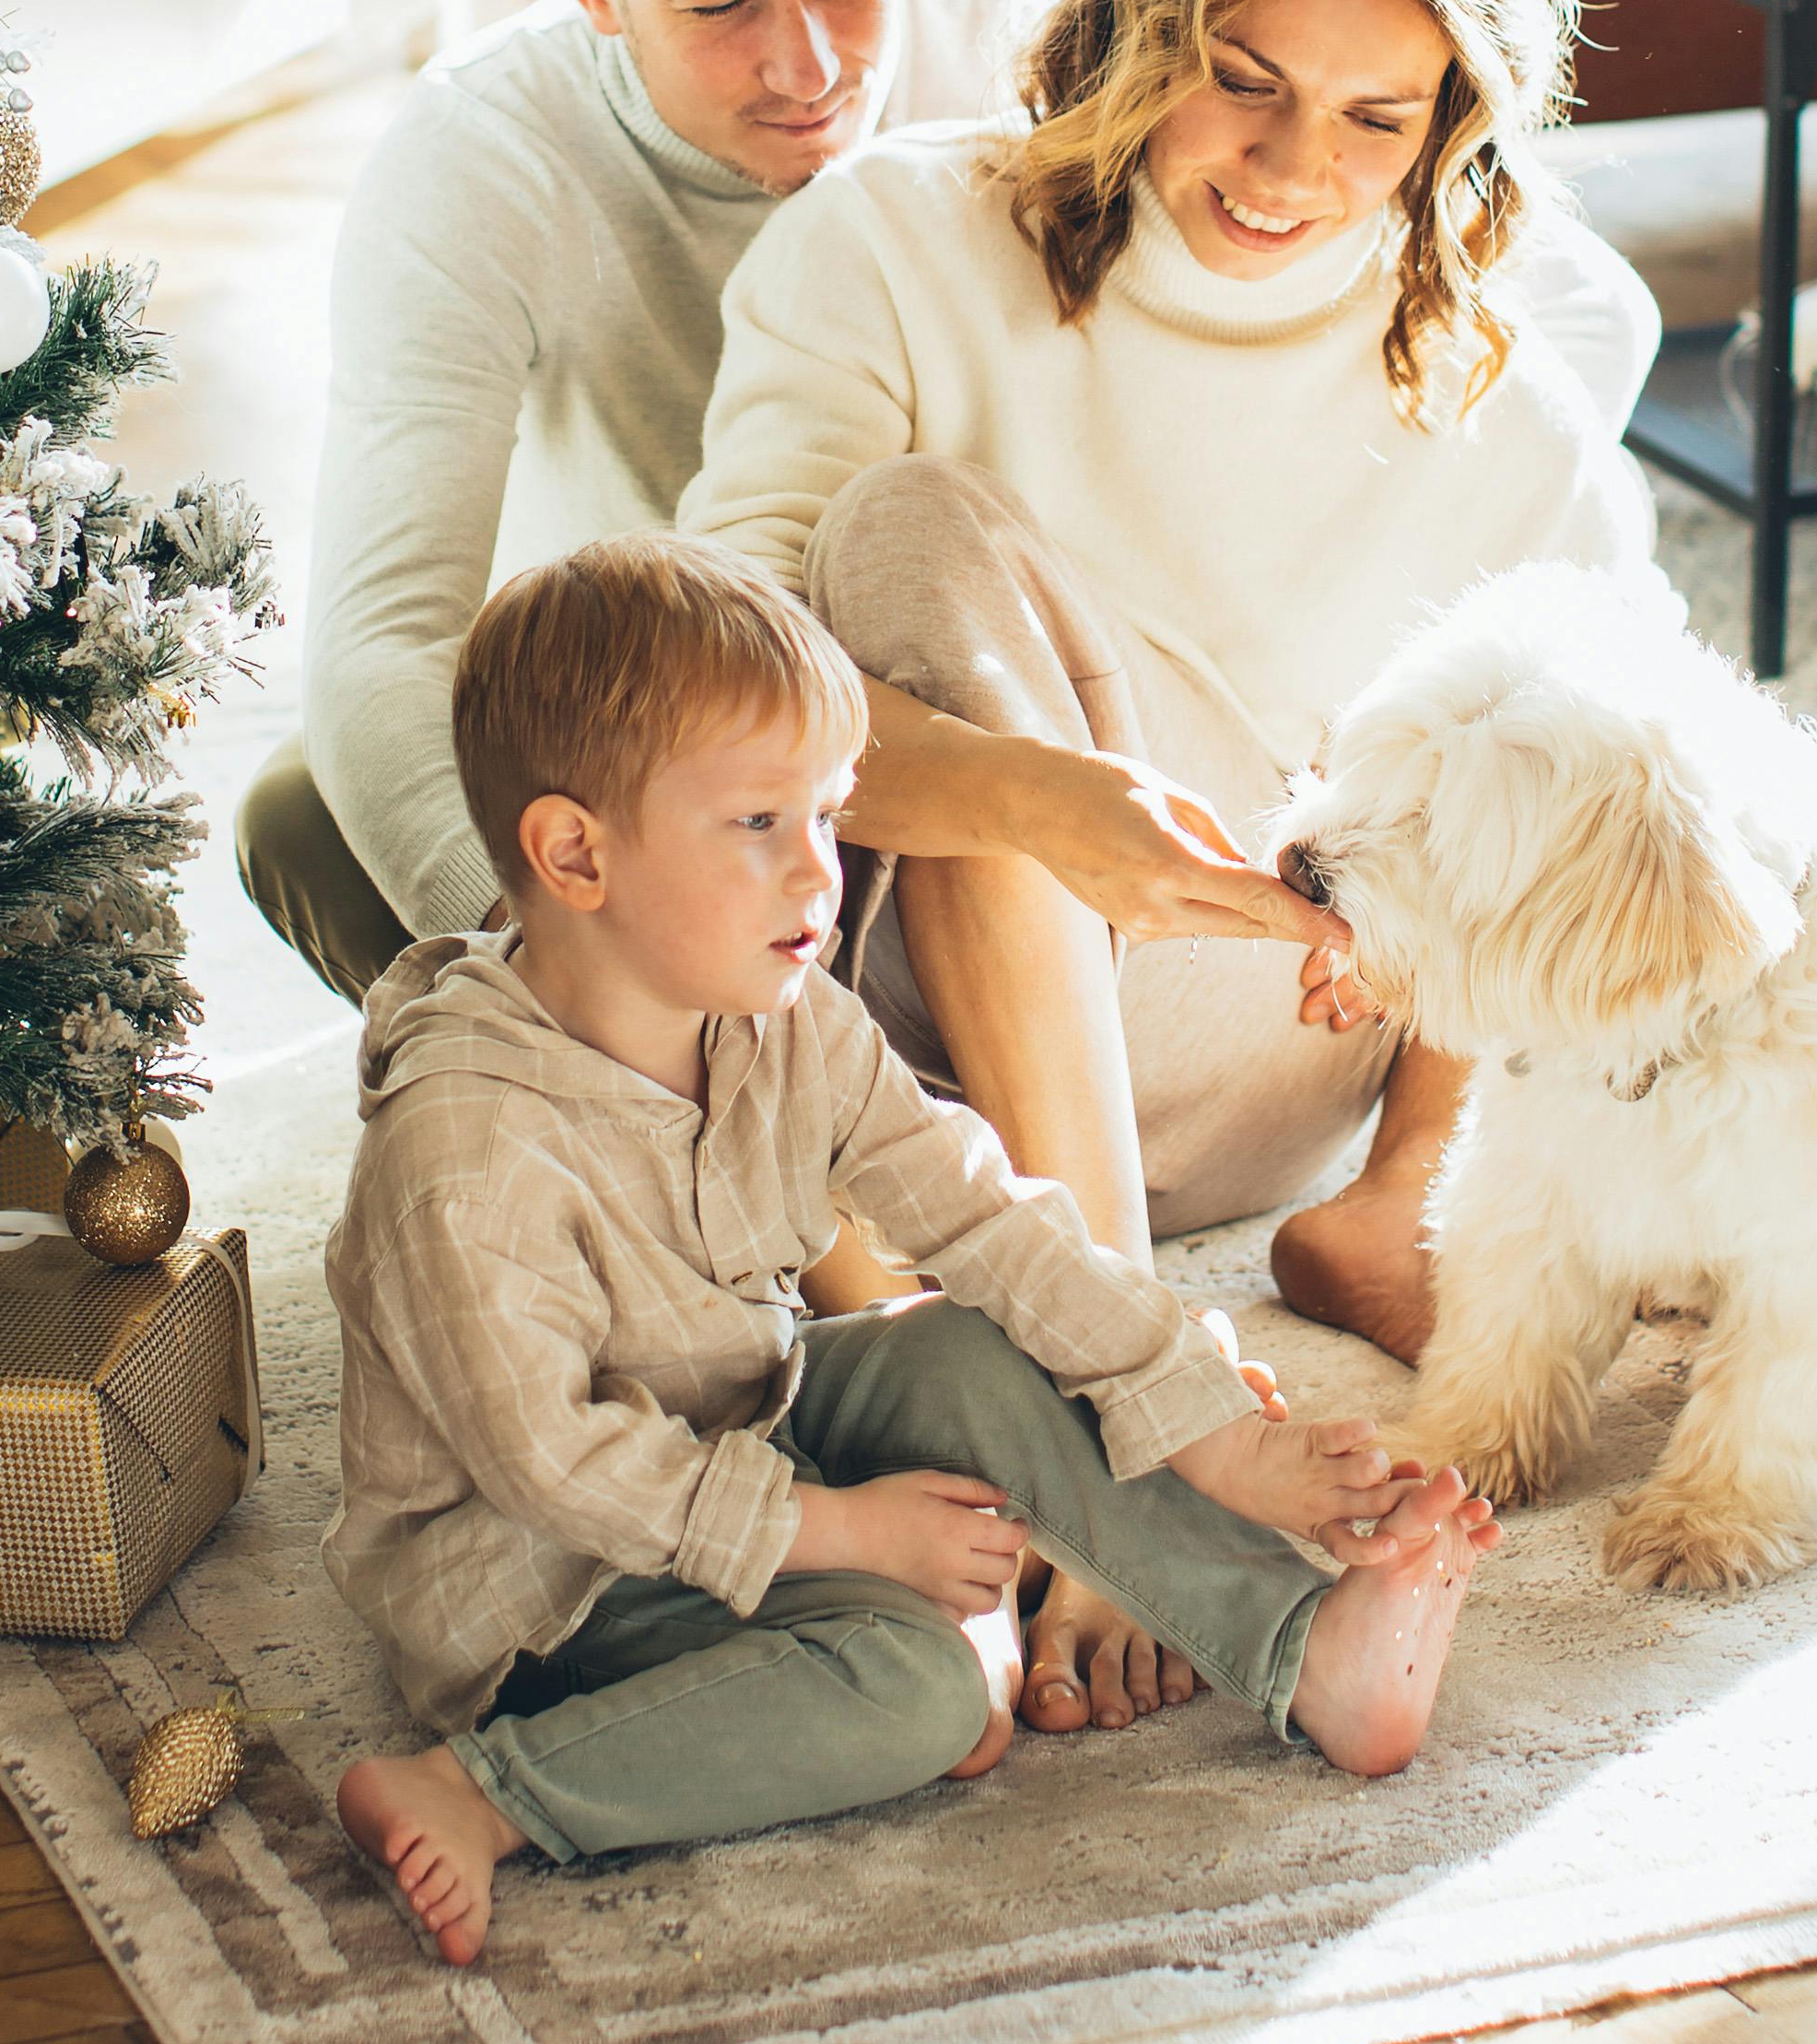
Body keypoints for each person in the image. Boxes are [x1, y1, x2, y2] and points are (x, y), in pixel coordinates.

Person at [684, 0, 1817, 1714]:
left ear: (1453, 122)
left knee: (1531, 734)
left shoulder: (1507, 361)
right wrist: (1035, 800)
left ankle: (1393, 1212)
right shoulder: (889, 244)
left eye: (1378, 116)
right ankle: (1135, 1392)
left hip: (1305, 1030)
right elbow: (701, 716)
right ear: (1120, 26)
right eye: (1245, 78)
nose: (1291, 168)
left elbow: (1680, 769)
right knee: (894, 535)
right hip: (940, 1034)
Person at [242, 0, 1661, 1004]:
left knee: (922, 564)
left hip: (988, 690)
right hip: (685, 705)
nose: (804, 63)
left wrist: (1341, 567)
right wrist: (564, 982)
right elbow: (384, 638)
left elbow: (1567, 303)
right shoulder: (477, 161)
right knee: (308, 814)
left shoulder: (1049, 51)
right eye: (721, 1)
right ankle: (611, 1098)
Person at [326, 539, 1495, 1966]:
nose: (819, 871)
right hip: (547, 1583)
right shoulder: (468, 1143)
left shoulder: (777, 1015)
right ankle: (484, 1793)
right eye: (760, 821)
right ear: (576, 854)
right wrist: (851, 1534)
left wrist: (1211, 1435)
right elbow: (554, 1469)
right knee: (920, 1695)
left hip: (745, 1420)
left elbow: (987, 1216)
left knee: (963, 1339)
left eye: (827, 813)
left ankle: (1306, 1654)